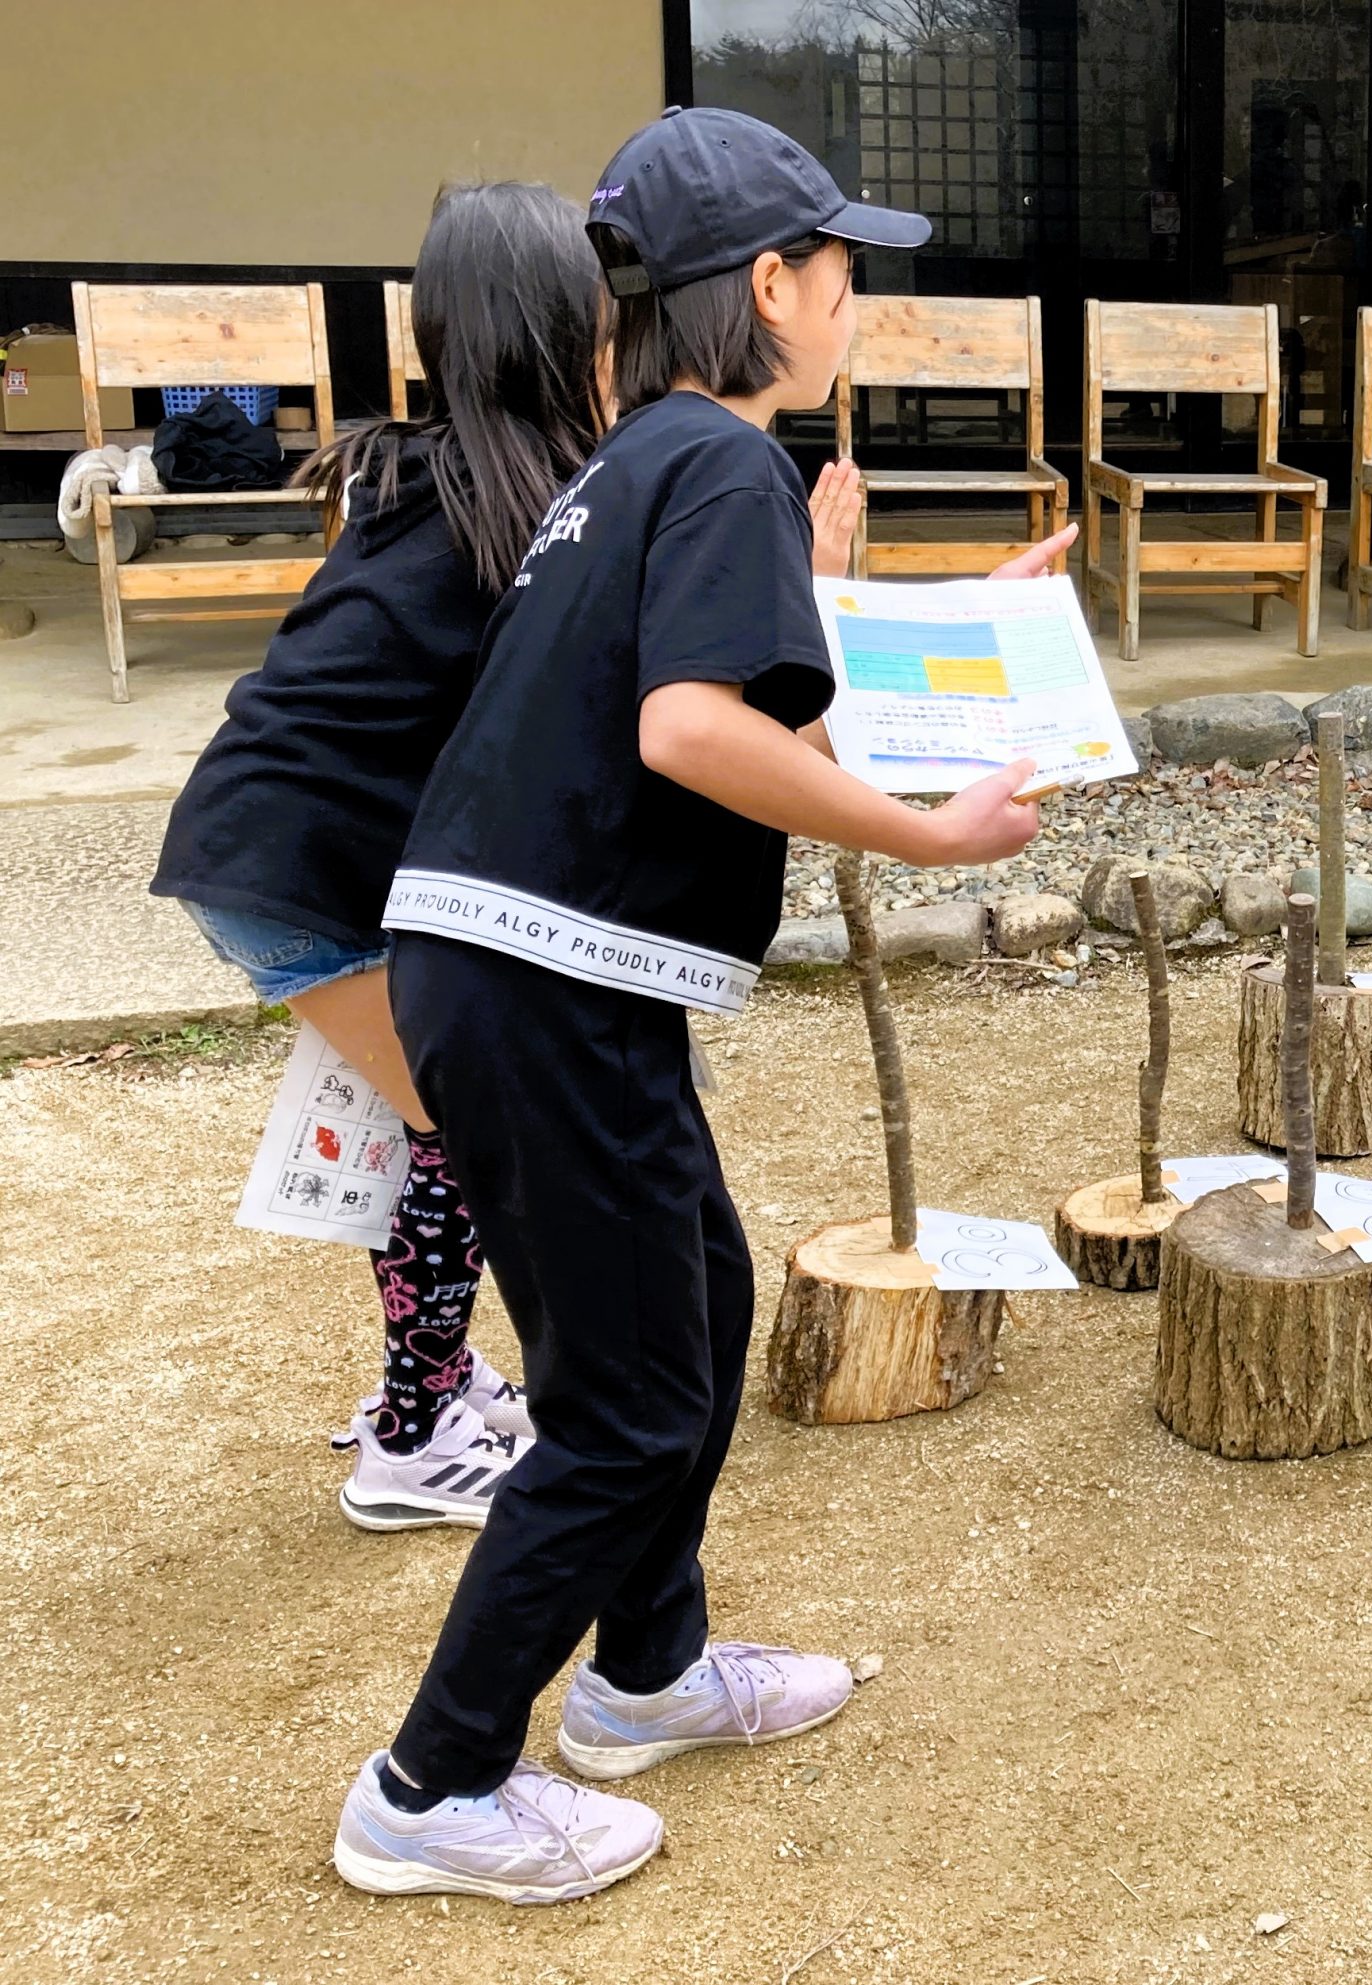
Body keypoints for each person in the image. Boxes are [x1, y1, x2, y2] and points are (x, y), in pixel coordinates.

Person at [329, 108, 1052, 1906]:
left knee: (684, 1314)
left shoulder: (646, 457)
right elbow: (695, 730)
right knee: (636, 1398)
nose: (855, 299)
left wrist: (949, 621)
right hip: (541, 978)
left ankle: (645, 1682)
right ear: (768, 288)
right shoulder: (718, 462)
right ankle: (432, 1783)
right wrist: (926, 832)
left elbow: (740, 684)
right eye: (839, 268)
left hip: (519, 968)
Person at [150, 184, 872, 1535]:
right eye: (622, 322)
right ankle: (414, 1439)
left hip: (275, 853)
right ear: (579, 341)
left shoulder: (438, 467)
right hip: (305, 870)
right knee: (456, 1140)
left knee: (426, 1121)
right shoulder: (545, 508)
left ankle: (431, 1383)